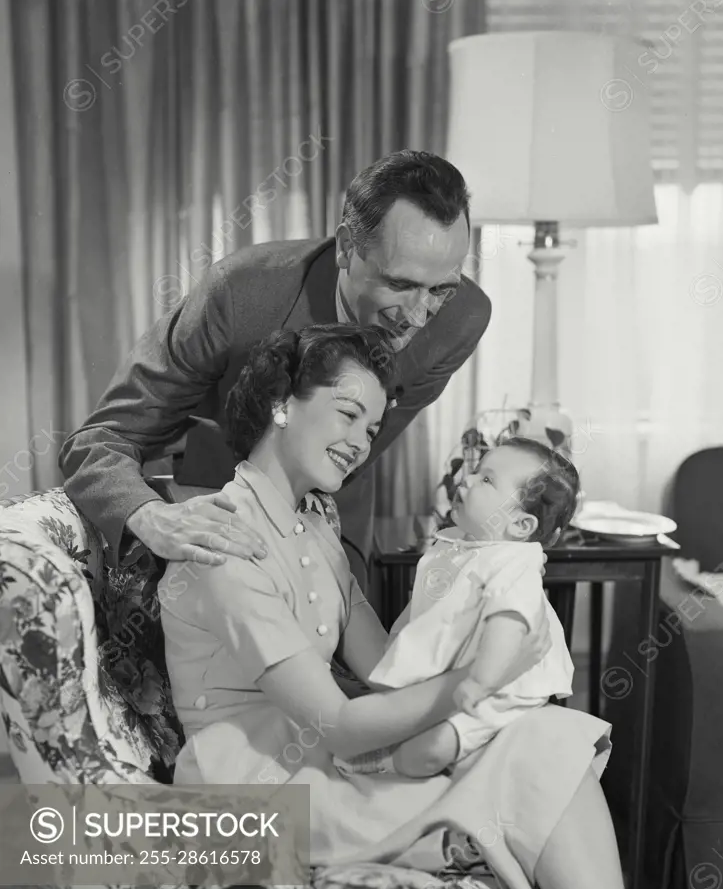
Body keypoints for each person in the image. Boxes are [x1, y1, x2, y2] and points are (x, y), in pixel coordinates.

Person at [159, 324, 677, 889]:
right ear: (283, 402)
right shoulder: (224, 535)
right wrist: (471, 690)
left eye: (371, 427)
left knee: (546, 734)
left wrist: (486, 626)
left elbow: (384, 666)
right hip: (259, 782)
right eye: (346, 413)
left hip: (320, 752)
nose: (360, 440)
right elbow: (339, 725)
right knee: (537, 759)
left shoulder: (313, 518)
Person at [58, 150, 490, 593]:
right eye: (399, 284)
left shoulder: (461, 321)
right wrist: (150, 516)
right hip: (219, 508)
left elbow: (358, 452)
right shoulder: (239, 295)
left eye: (440, 289)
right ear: (346, 247)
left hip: (337, 526)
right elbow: (99, 441)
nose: (419, 317)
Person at [334, 438, 580, 780]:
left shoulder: (514, 562)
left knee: (425, 751)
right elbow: (430, 607)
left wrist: (479, 684)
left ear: (521, 525)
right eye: (476, 471)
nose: (467, 480)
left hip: (502, 687)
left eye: (487, 481)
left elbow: (508, 625)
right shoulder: (457, 542)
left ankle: (396, 763)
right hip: (464, 676)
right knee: (405, 717)